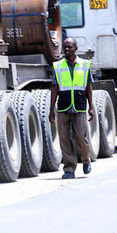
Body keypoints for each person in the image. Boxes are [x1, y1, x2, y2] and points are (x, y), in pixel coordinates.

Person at [49, 38, 94, 179]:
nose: (66, 49)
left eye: (69, 47)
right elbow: (55, 88)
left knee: (80, 137)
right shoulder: (58, 66)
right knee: (64, 140)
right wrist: (51, 110)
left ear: (76, 48)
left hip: (79, 107)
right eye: (65, 47)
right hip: (63, 107)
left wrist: (91, 107)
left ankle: (86, 159)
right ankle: (69, 170)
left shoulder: (84, 65)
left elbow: (88, 87)